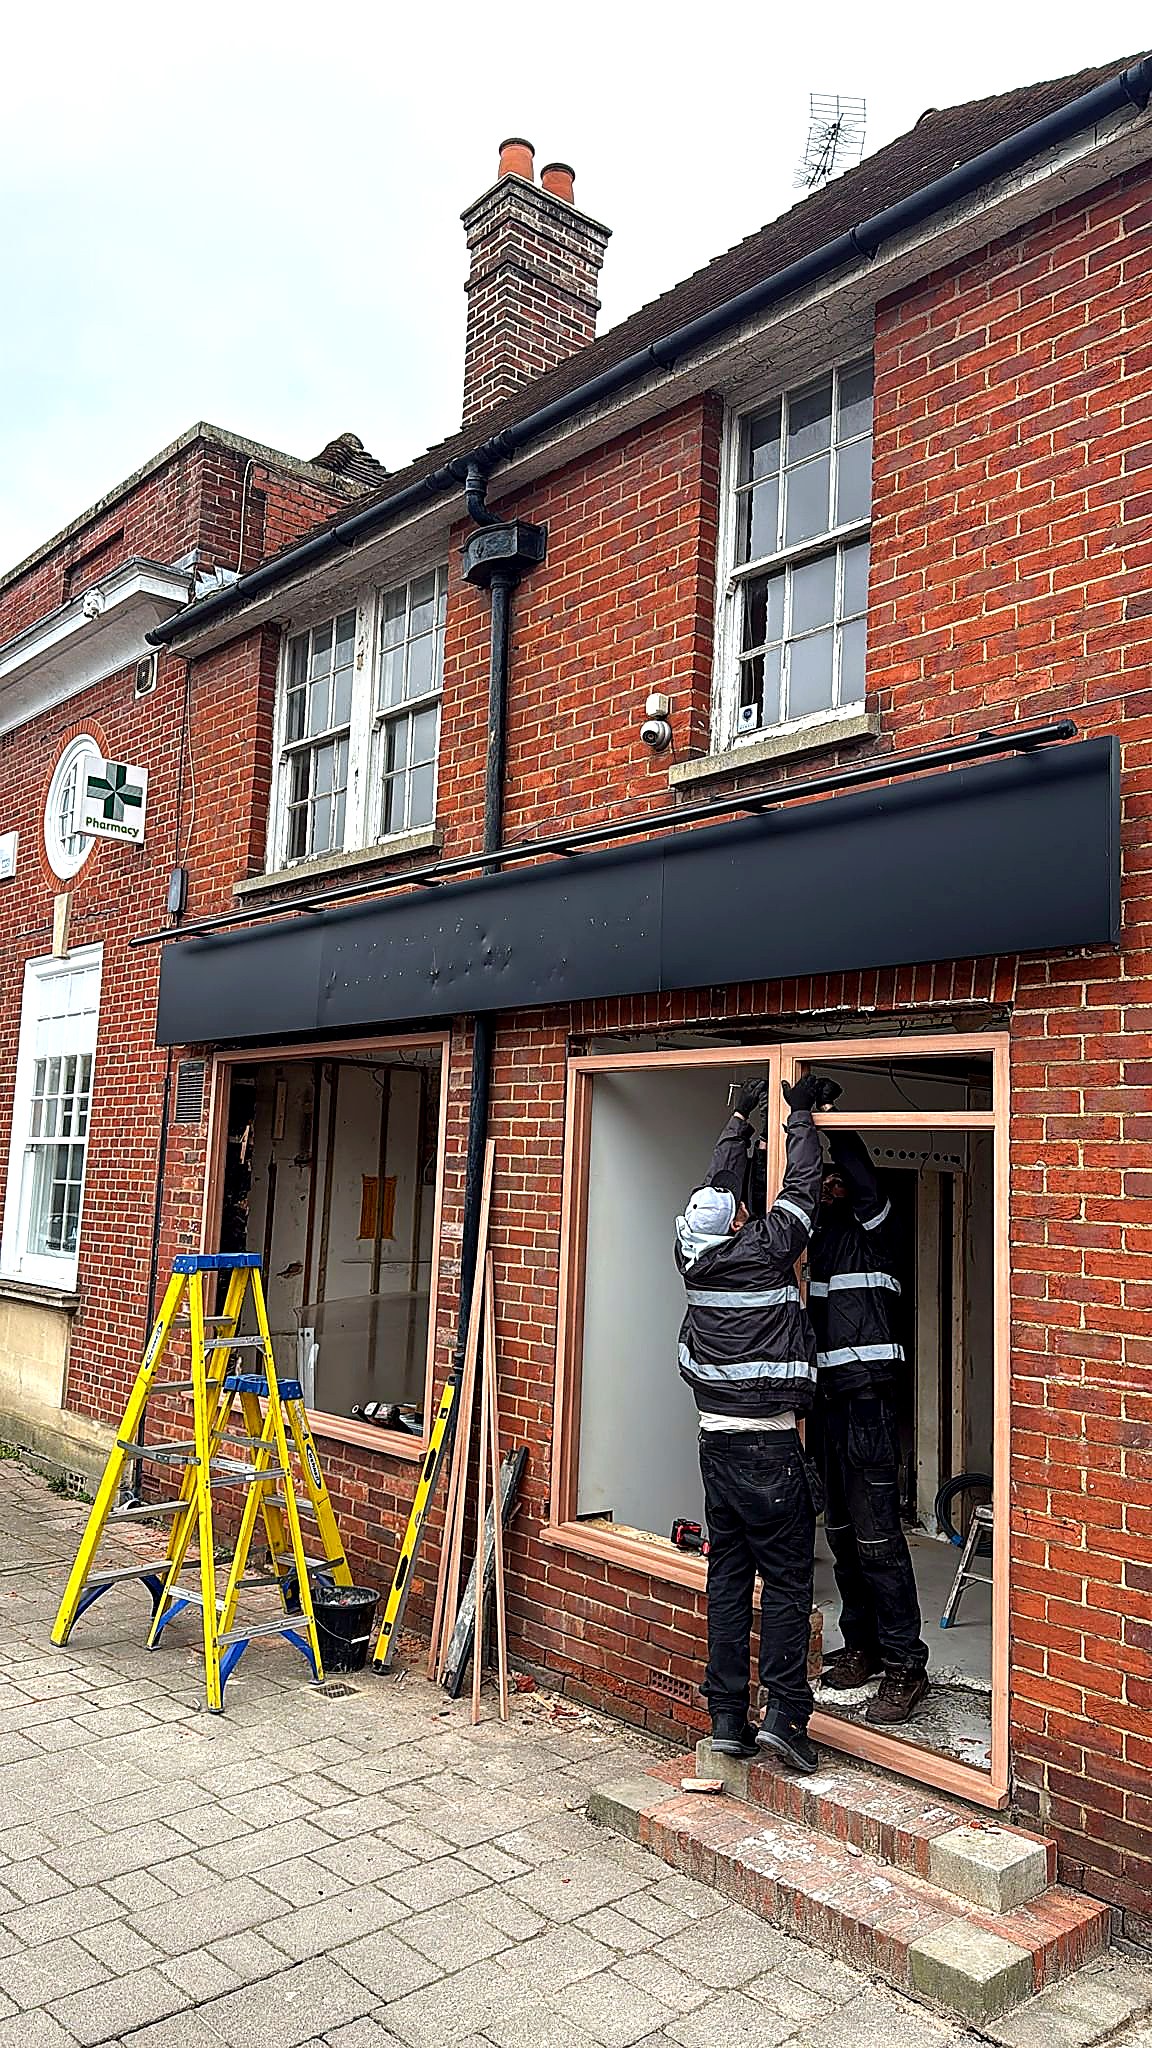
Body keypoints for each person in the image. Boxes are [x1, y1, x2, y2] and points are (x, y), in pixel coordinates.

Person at [675, 1073, 839, 1773]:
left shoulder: (692, 1255)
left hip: (715, 1445)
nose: (746, 1209)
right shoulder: (764, 1251)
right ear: (740, 1226)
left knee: (728, 1580)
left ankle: (725, 1719)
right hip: (769, 1447)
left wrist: (738, 1124)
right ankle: (785, 1718)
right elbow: (800, 1193)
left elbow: (717, 1194)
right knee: (788, 1583)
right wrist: (799, 1115)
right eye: (743, 1211)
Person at [808, 1128, 930, 1724]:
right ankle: (863, 1646)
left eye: (839, 1181)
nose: (833, 1187)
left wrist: (835, 1132)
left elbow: (862, 1181)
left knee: (879, 1540)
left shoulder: (877, 1231)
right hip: (828, 1404)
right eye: (826, 1181)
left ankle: (906, 1665)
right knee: (840, 1534)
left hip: (869, 1405)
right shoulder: (820, 1239)